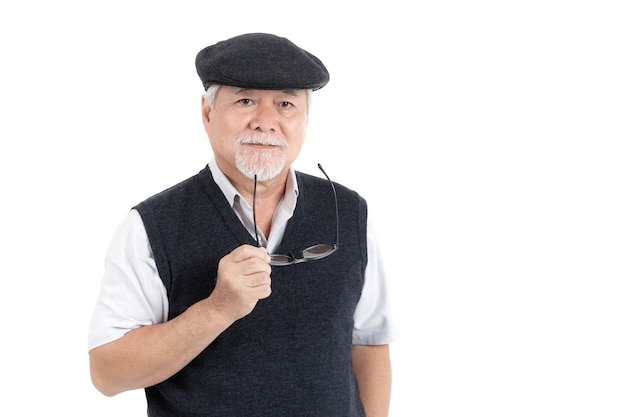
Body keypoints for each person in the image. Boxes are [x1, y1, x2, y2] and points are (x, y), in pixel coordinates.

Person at [88, 32, 397, 417]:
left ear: (305, 119)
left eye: (285, 104)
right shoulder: (152, 227)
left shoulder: (348, 213)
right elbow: (107, 373)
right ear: (207, 112)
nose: (265, 122)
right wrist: (217, 309)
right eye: (245, 100)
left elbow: (369, 343)